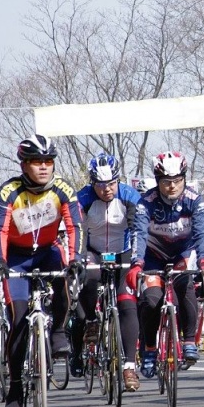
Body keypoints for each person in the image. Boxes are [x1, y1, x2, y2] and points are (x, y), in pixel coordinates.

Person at [0, 135, 85, 407]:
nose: (44, 167)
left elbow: (74, 227)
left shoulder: (62, 189)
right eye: (36, 162)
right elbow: (1, 230)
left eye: (48, 161)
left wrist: (75, 259)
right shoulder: (10, 190)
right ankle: (16, 388)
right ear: (24, 164)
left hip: (47, 251)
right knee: (19, 319)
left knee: (63, 282)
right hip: (17, 258)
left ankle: (57, 331)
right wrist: (0, 259)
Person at [130, 151, 204, 378]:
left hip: (181, 254)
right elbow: (139, 234)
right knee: (151, 299)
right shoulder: (146, 202)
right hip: (153, 256)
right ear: (158, 181)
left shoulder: (194, 201)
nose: (172, 186)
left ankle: (188, 341)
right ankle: (149, 349)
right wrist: (136, 263)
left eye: (177, 181)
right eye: (166, 182)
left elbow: (201, 234)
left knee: (185, 286)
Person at [72, 153, 145, 391]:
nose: (107, 190)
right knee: (89, 277)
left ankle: (129, 367)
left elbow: (138, 230)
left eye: (112, 183)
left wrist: (136, 259)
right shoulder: (82, 198)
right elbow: (78, 233)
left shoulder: (129, 196)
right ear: (93, 183)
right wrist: (80, 259)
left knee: (127, 303)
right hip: (93, 250)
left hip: (122, 250)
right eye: (101, 185)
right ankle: (92, 320)